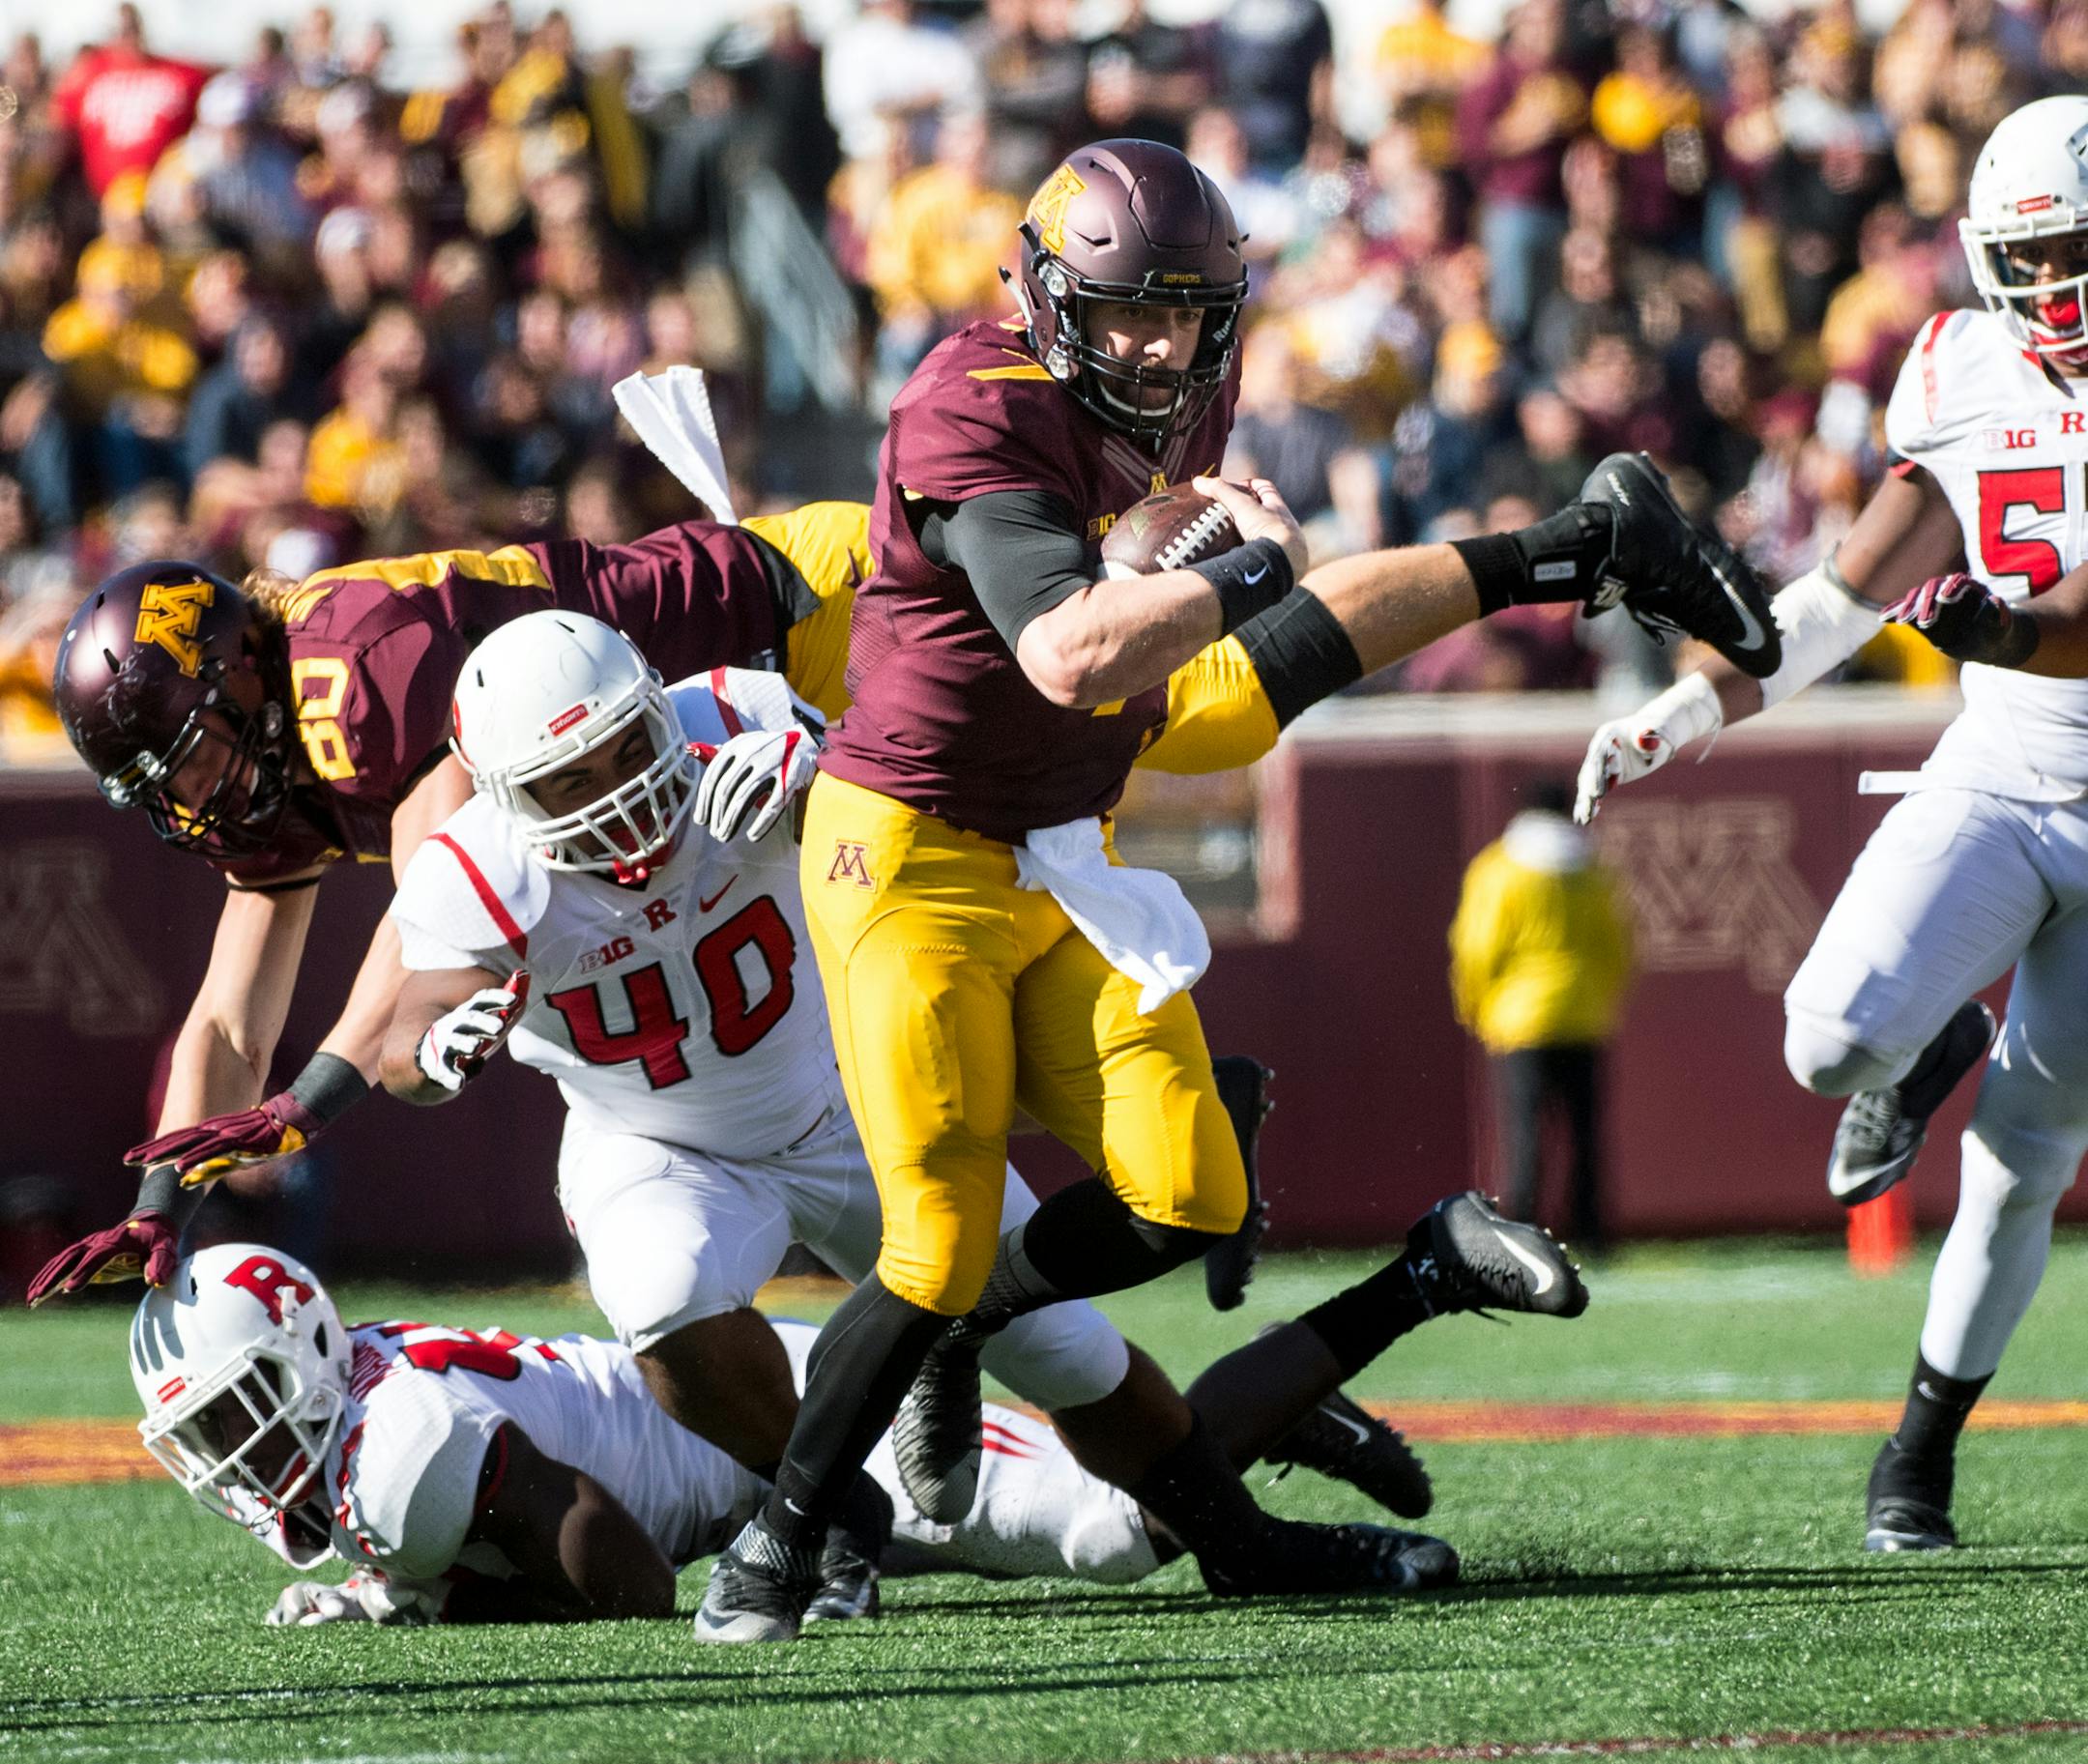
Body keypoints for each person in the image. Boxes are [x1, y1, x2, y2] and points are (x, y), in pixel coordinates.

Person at [698, 136, 1779, 1641]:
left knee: (1187, 1194)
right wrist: (1238, 572)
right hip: (913, 848)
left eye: (1183, 311)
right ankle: (778, 1541)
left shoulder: (1176, 382)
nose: (1154, 342)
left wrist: (1227, 569)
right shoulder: (972, 406)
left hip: (1061, 830)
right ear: (1045, 290)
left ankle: (1587, 544)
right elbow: (1071, 650)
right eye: (1125, 309)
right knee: (930, 1241)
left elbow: (1153, 629)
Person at [377, 611, 1583, 1627]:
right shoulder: (471, 870)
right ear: (502, 795)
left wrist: (826, 784)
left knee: (1071, 1358)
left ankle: (1238, 1535)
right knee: (659, 1289)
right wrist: (437, 1050)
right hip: (661, 1140)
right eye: (565, 781)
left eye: (623, 746)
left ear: (657, 705)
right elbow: (398, 1036)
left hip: (848, 1093)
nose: (613, 794)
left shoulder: (739, 719)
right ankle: (830, 1514)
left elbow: (902, 804)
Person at [1573, 94, 2088, 1553]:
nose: (2059, 295)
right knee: (1823, 1041)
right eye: (2039, 261)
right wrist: (1688, 711)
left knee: (2028, 1153)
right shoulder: (1966, 369)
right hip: (2001, 769)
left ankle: (1918, 1450)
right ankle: (1934, 1038)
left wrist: (2004, 623)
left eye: (2085, 256)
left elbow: (2069, 621)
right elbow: (1844, 595)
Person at [27, 501, 870, 1310]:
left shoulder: (353, 671)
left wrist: (305, 1104)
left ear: (239, 680)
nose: (187, 796)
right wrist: (159, 1203)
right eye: (156, 787)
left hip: (809, 621)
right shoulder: (265, 760)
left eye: (187, 760)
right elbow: (228, 1024)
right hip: (730, 721)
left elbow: (433, 914)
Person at [133, 1241, 1569, 1625]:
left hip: (818, 1433)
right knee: (1146, 1491)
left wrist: (425, 1600)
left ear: (312, 1361)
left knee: (1132, 1527)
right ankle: (1267, 1412)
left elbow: (624, 1578)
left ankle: (1424, 1271)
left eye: (246, 1414)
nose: (238, 1460)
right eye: (210, 1435)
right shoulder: (373, 1409)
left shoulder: (409, 1440)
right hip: (773, 1469)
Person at [1448, 781, 1634, 1249]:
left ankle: (1521, 1232)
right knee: (1585, 1135)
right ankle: (1591, 1233)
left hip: (1519, 1017)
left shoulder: (1499, 870)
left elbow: (1478, 946)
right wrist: (1603, 1000)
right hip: (1584, 1014)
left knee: (1524, 1133)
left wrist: (1473, 1004)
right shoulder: (1591, 869)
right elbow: (1617, 943)